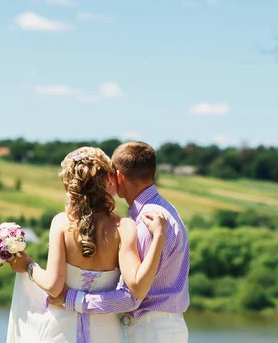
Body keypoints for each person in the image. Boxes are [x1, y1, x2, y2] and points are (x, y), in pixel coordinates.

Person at [7, 146, 168, 343]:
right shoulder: (125, 227)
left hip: (59, 331)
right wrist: (159, 236)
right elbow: (137, 287)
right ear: (108, 180)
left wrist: (29, 266)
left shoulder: (61, 222)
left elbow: (53, 287)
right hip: (105, 333)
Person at [51, 141, 190, 343]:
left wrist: (73, 300)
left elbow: (132, 297)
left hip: (151, 330)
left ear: (118, 175)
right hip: (168, 327)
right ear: (153, 172)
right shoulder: (167, 209)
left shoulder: (146, 222)